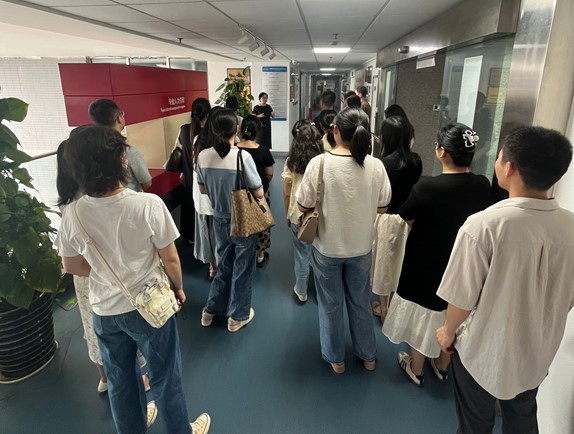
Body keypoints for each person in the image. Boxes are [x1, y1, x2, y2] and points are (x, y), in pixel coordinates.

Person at [55, 125, 210, 434]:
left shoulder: (72, 213)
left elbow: (71, 264)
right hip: (150, 308)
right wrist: (178, 288)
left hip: (105, 313)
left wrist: (104, 272)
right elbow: (170, 259)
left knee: (121, 380)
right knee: (165, 376)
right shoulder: (147, 204)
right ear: (119, 161)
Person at [436, 126, 574, 434]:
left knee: (474, 424)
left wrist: (447, 332)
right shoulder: (570, 227)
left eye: (499, 158)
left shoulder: (484, 226)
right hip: (537, 352)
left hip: (482, 352)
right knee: (522, 418)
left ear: (509, 168)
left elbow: (461, 298)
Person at [382, 124, 491, 387]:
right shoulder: (482, 185)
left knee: (423, 313)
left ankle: (416, 368)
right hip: (463, 263)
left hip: (426, 261)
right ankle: (442, 366)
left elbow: (404, 218)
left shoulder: (427, 187)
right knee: (450, 312)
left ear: (441, 152)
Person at [297, 108, 391, 374]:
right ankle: (368, 356)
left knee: (330, 304)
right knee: (360, 302)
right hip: (362, 247)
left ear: (335, 130)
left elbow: (303, 204)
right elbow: (383, 206)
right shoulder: (375, 165)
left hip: (327, 247)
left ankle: (336, 359)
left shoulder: (319, 164)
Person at [56, 132, 150, 396]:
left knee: (93, 326)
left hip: (85, 279)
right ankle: (134, 381)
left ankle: (105, 377)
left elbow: (69, 262)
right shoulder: (95, 199)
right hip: (109, 274)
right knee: (126, 326)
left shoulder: (67, 202)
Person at [197, 109, 263, 333]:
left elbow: (202, 189)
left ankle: (210, 310)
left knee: (224, 263)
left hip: (219, 217)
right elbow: (259, 192)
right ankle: (237, 316)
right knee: (242, 267)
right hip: (242, 219)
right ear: (236, 129)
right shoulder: (242, 157)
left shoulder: (203, 156)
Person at [371, 116, 422, 321]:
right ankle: (394, 307)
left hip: (386, 218)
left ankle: (384, 310)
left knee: (384, 264)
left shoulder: (382, 163)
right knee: (400, 263)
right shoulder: (416, 160)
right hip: (409, 219)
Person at [282, 119, 324, 302]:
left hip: (298, 214)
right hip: (320, 214)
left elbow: (287, 193)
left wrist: (288, 214)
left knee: (301, 254)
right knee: (320, 254)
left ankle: (301, 291)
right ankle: (322, 291)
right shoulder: (324, 161)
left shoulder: (291, 162)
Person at [88, 98, 152, 192]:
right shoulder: (129, 151)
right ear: (119, 119)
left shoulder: (90, 151)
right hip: (130, 199)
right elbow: (147, 183)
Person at [237, 115, 275, 267]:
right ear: (258, 131)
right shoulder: (264, 151)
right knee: (262, 222)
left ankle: (242, 251)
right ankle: (260, 255)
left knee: (241, 220)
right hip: (260, 193)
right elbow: (269, 173)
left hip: (239, 192)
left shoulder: (235, 150)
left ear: (240, 130)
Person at [192, 105, 219, 280]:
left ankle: (212, 267)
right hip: (217, 197)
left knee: (205, 232)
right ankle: (220, 265)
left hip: (201, 196)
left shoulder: (197, 139)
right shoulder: (222, 143)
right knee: (219, 233)